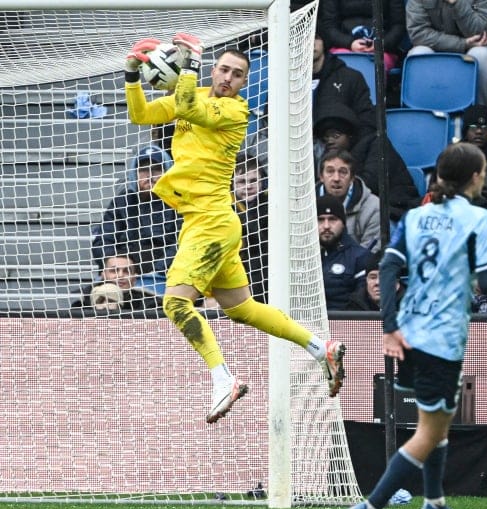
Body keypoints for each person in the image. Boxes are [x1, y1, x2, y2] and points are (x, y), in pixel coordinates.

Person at [123, 35, 348, 422]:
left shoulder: (234, 111)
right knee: (241, 308)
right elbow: (141, 115)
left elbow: (188, 106)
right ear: (214, 71)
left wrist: (190, 65)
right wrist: (131, 77)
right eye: (224, 70)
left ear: (245, 82)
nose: (228, 77)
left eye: (237, 74)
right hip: (209, 221)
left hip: (210, 223)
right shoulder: (194, 95)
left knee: (175, 303)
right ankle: (319, 348)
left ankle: (223, 379)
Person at [345, 142, 487, 509]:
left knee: (437, 420)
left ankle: (434, 503)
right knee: (429, 431)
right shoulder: (479, 219)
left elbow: (388, 266)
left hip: (409, 330)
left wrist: (389, 326)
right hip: (441, 338)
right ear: (476, 177)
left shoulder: (416, 216)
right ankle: (370, 507)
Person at [91, 144, 180, 296]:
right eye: (143, 170)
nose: (150, 175)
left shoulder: (179, 201)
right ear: (134, 173)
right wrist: (119, 267)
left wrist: (156, 269)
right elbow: (103, 241)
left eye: (156, 169)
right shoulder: (122, 201)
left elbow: (182, 243)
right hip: (122, 275)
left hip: (166, 276)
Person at [406, 0, 487, 106]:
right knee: (418, 54)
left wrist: (457, 3)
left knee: (481, 55)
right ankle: (423, 112)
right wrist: (462, 44)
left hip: (474, 47)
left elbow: (480, 33)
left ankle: (480, 111)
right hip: (436, 48)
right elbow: (418, 34)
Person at [315, 149, 381, 251]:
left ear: (352, 178)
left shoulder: (373, 207)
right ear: (321, 177)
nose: (336, 178)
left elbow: (369, 254)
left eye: (343, 172)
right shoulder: (304, 204)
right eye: (330, 171)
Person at [317, 195, 374, 313]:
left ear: (343, 223)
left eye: (332, 219)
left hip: (345, 322)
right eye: (320, 220)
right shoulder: (301, 256)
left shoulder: (360, 257)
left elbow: (361, 303)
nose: (326, 226)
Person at [312, 35, 376, 138]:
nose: (311, 42)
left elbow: (366, 121)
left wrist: (351, 147)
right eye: (303, 38)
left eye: (316, 37)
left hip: (346, 146)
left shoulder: (351, 78)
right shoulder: (285, 83)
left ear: (324, 41)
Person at [321, 0, 407, 74]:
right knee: (340, 66)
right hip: (343, 46)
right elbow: (329, 26)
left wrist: (381, 44)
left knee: (375, 67)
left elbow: (398, 25)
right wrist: (350, 43)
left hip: (383, 49)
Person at [233, 154, 269, 301]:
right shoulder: (223, 209)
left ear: (263, 181)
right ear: (231, 184)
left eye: (253, 181)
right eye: (241, 181)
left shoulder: (272, 206)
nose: (248, 186)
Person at [74, 254, 161, 314]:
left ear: (134, 279)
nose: (120, 275)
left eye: (127, 271)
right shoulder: (84, 301)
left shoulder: (150, 304)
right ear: (103, 275)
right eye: (114, 270)